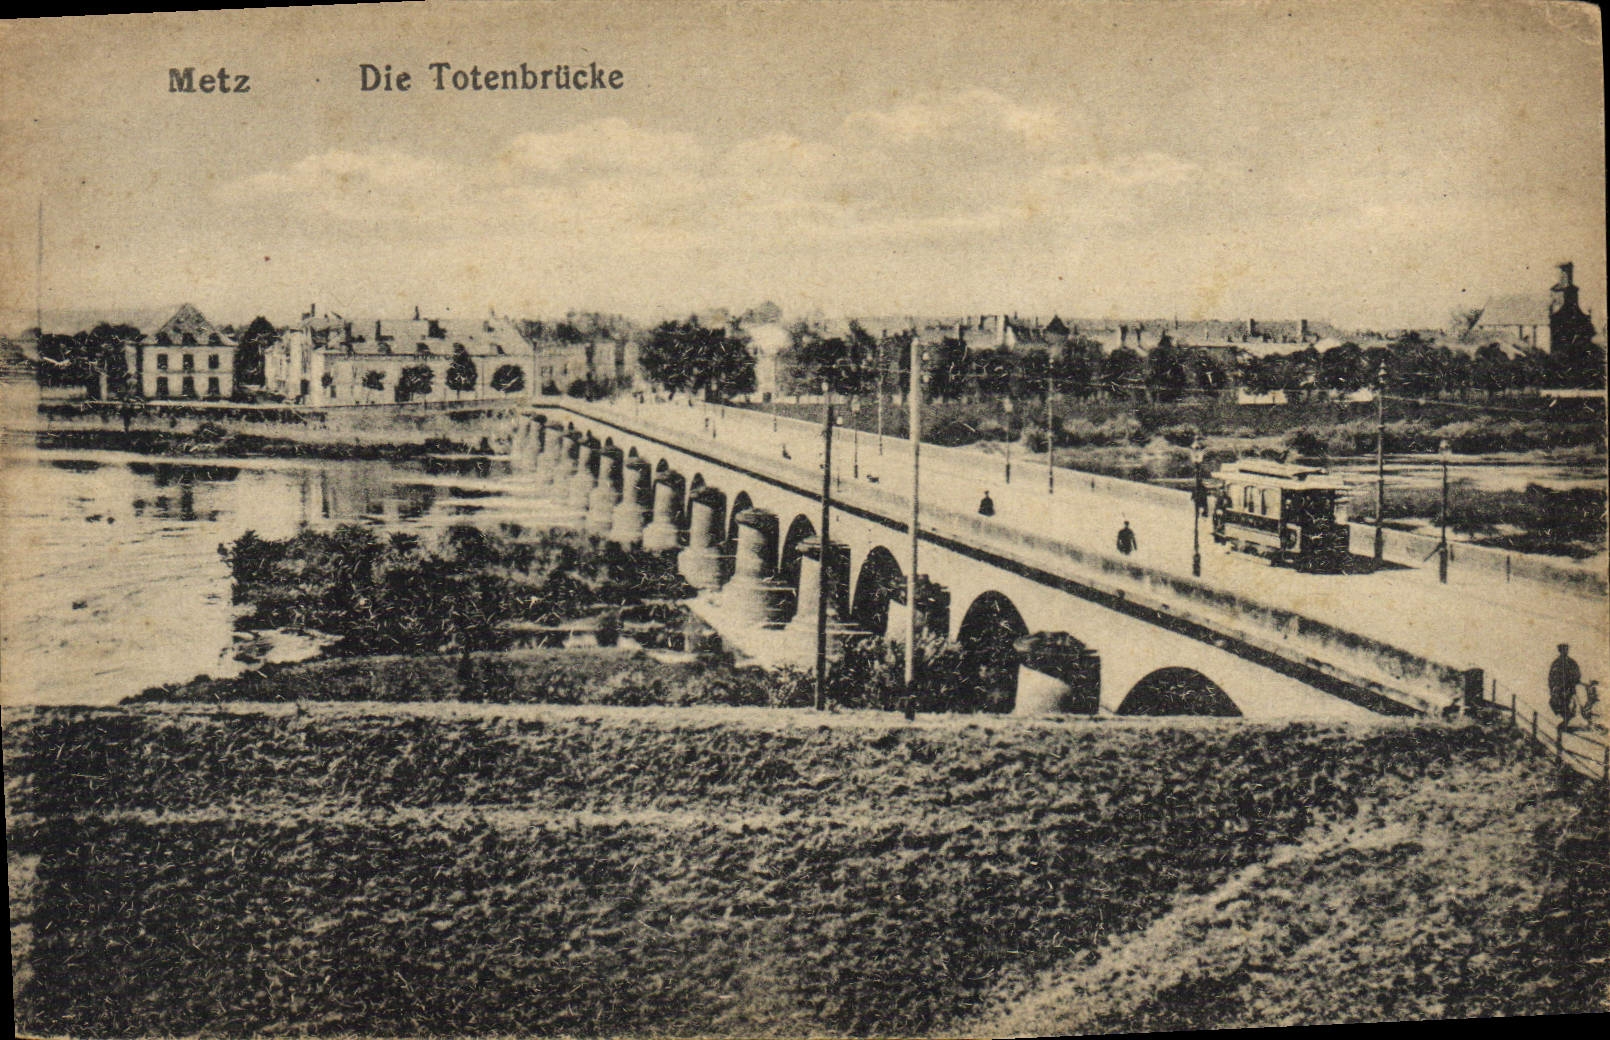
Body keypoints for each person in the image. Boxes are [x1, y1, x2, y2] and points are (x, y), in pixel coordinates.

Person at [1549, 643, 1581, 725]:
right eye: (1563, 650)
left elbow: (1577, 673)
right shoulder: (1556, 663)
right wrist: (1553, 688)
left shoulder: (1571, 662)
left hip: (1569, 687)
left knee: (1569, 703)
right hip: (1559, 688)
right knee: (1555, 703)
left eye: (1566, 649)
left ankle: (1568, 719)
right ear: (1560, 651)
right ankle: (1566, 719)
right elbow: (1551, 676)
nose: (1565, 651)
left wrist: (1573, 681)